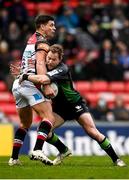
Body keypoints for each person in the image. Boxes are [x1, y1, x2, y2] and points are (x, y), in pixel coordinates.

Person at [20, 44, 126, 167]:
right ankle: (64, 150)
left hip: (75, 104)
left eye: (53, 59)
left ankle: (116, 159)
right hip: (60, 108)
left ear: (60, 59)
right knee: (44, 132)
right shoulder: (44, 67)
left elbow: (43, 80)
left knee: (93, 132)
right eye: (48, 58)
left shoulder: (62, 69)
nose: (49, 61)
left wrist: (26, 76)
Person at [8, 15, 56, 166]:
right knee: (49, 117)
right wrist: (46, 84)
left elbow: (29, 62)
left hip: (18, 84)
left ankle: (14, 158)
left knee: (25, 123)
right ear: (42, 26)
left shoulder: (31, 39)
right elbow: (40, 64)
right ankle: (37, 150)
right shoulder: (42, 43)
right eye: (51, 25)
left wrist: (23, 71)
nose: (53, 28)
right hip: (29, 84)